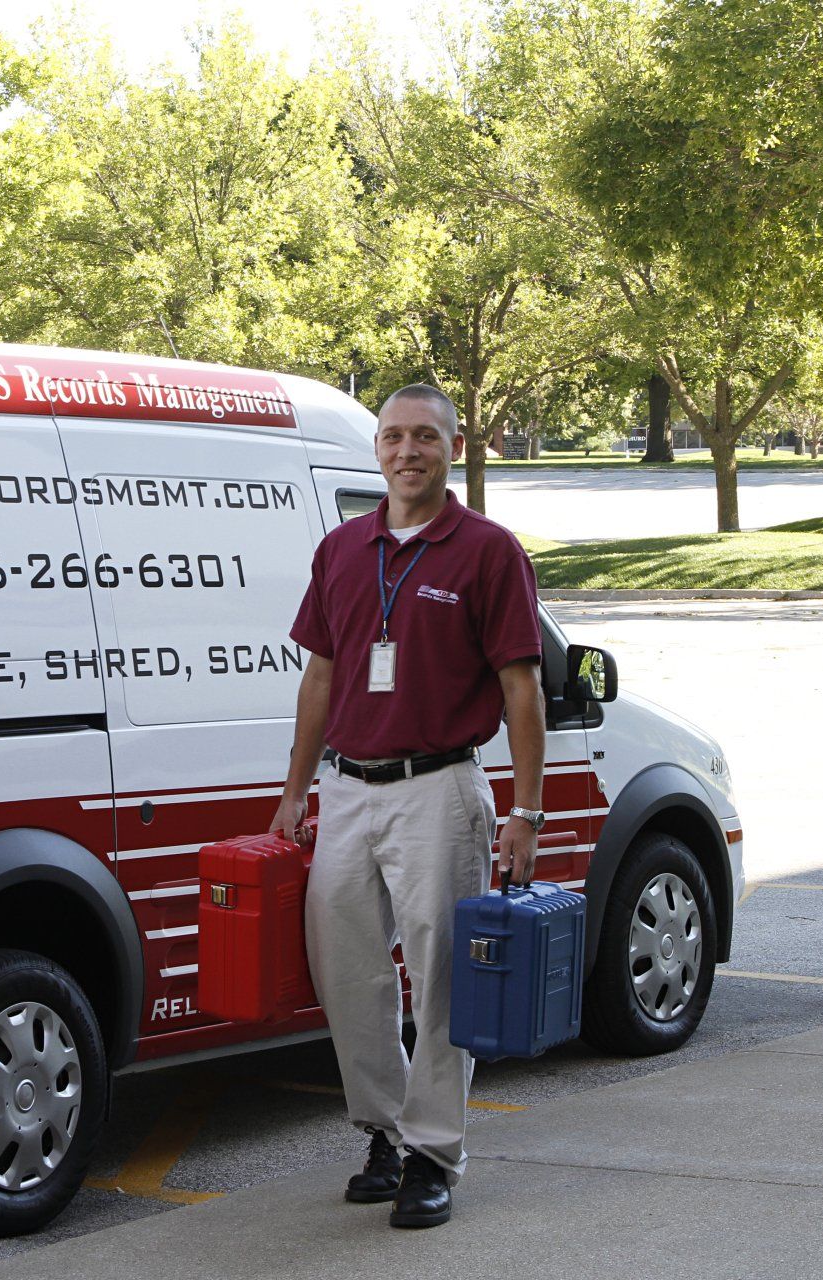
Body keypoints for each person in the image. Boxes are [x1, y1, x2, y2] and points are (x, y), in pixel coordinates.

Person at [268, 383, 546, 1229]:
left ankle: (433, 1154)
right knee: (347, 973)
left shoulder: (489, 552)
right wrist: (294, 792)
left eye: (424, 437)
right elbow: (319, 675)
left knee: (441, 981)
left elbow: (520, 687)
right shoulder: (342, 550)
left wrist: (526, 815)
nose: (406, 451)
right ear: (377, 449)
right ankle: (384, 1131)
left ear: (451, 449)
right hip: (348, 791)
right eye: (393, 437)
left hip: (439, 789)